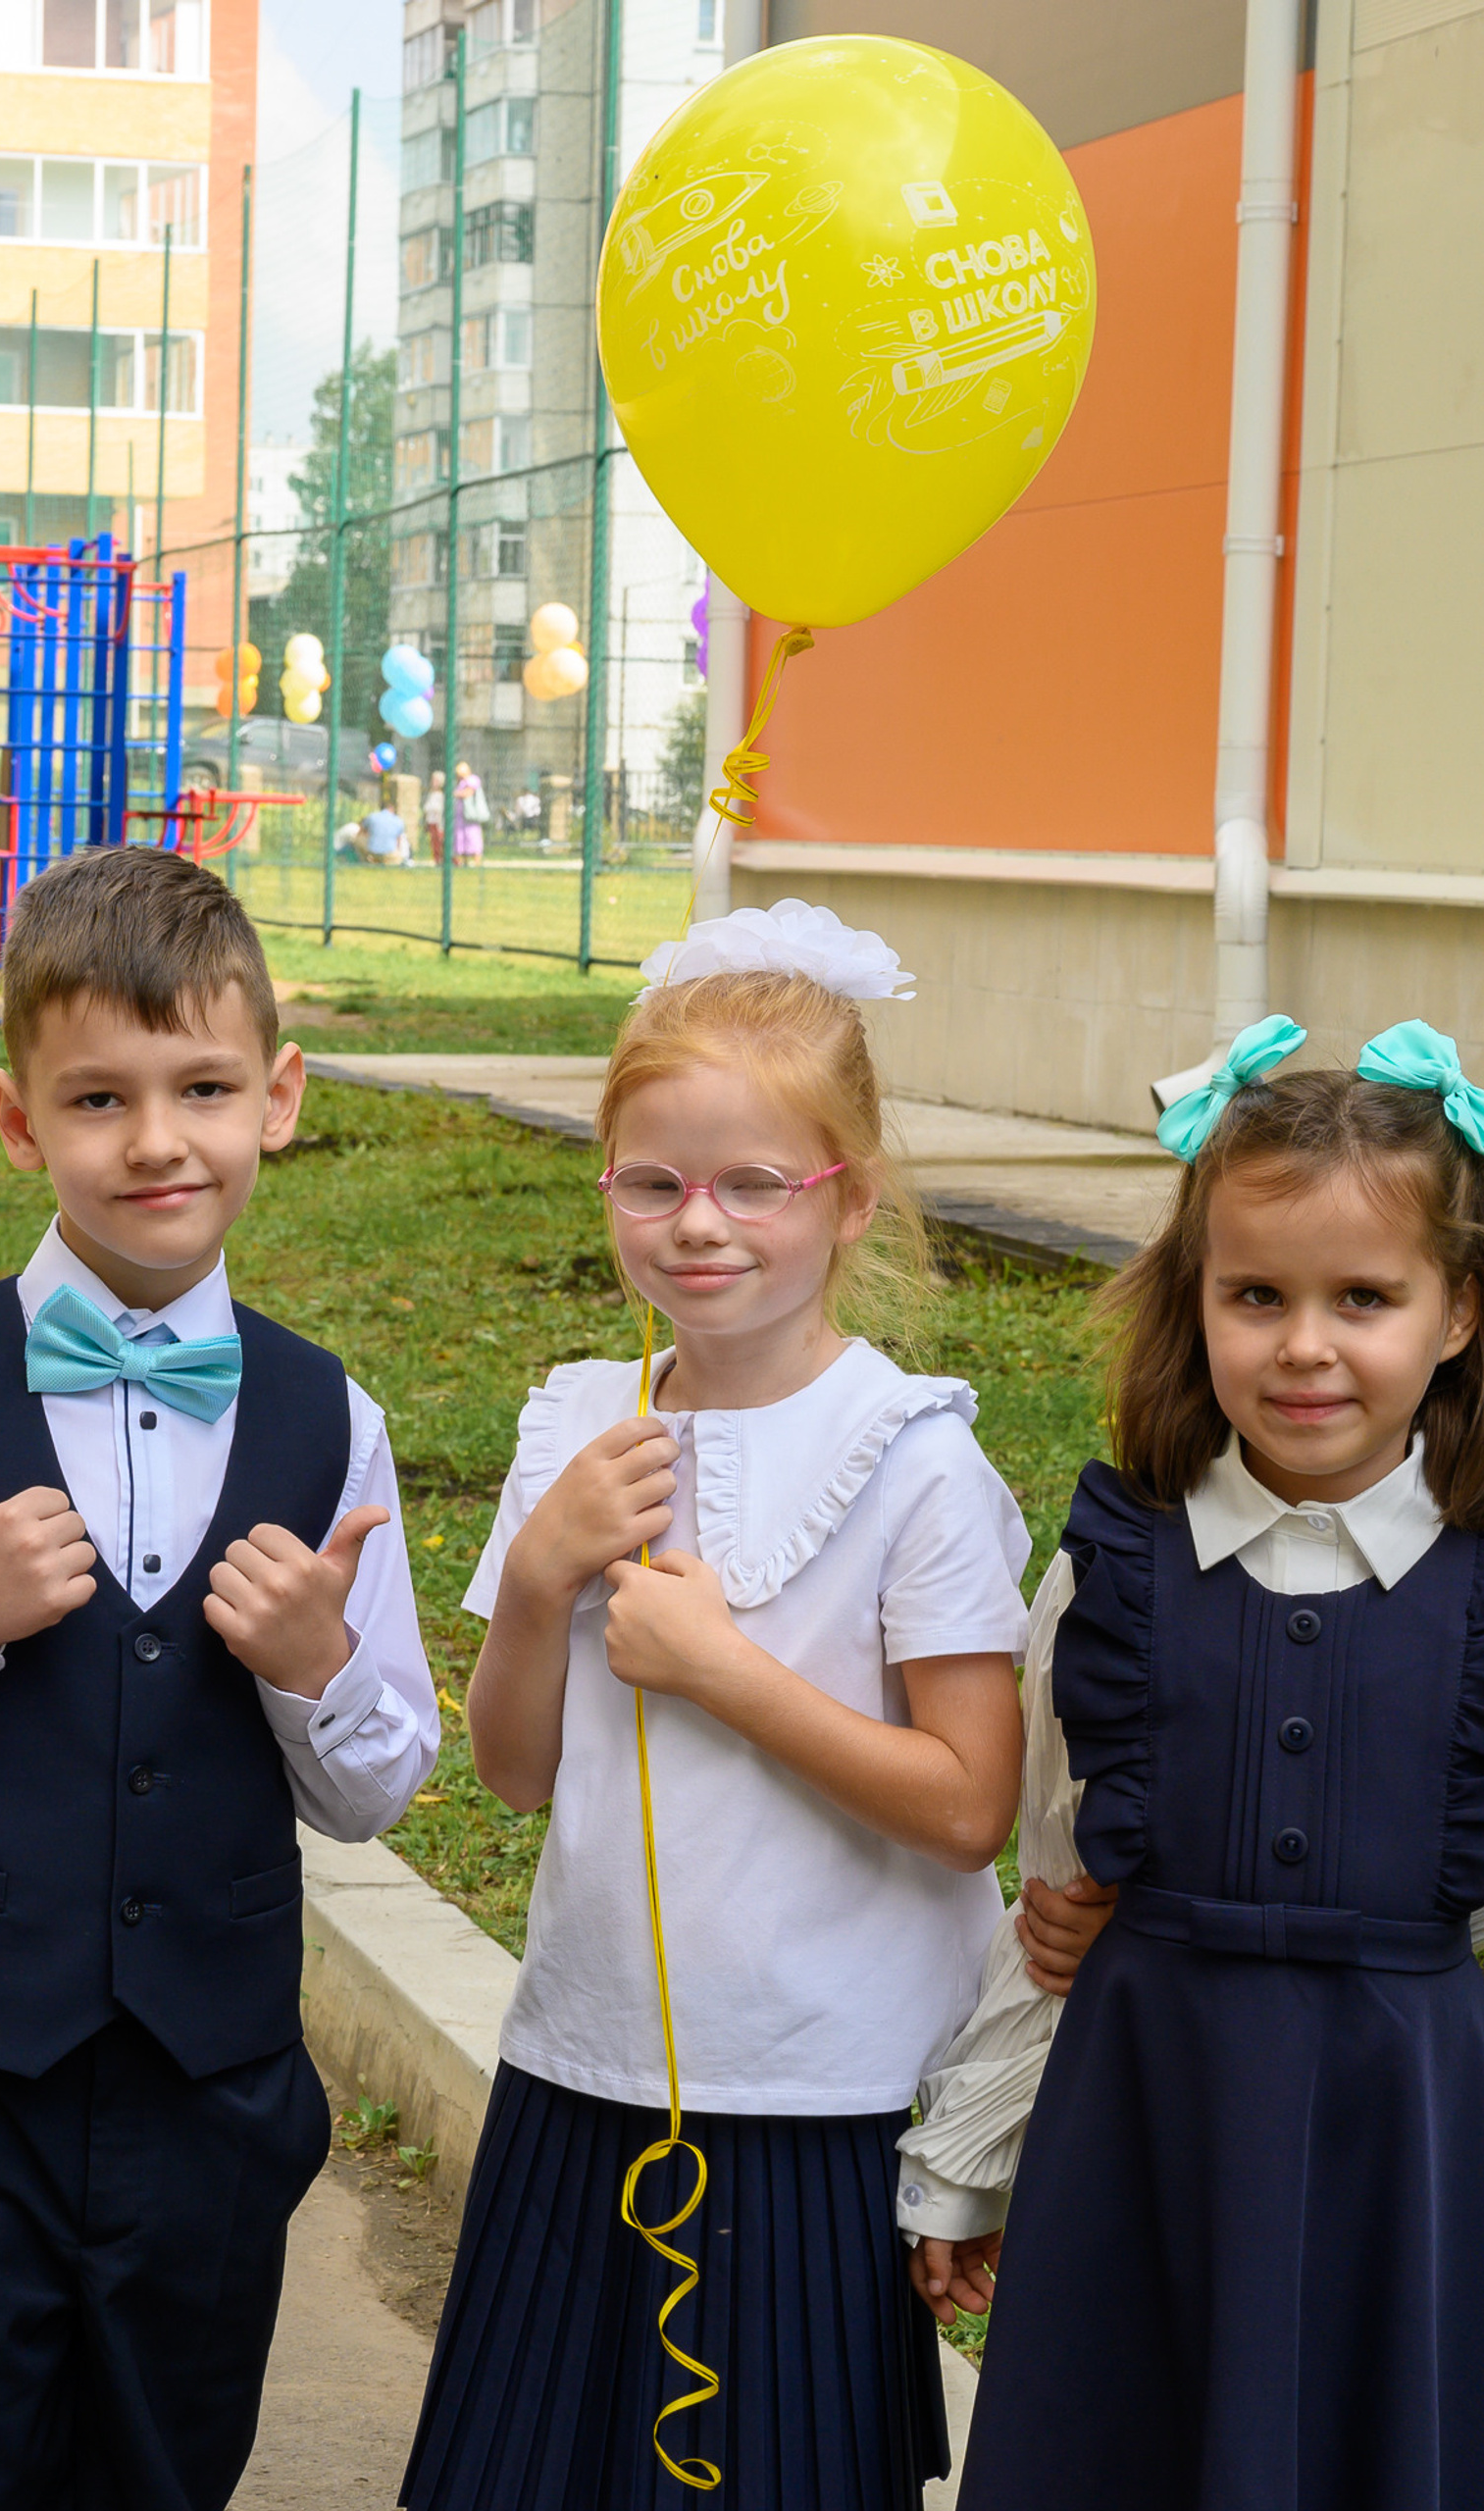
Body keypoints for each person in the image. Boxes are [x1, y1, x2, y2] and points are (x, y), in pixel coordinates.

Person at [0, 845, 439, 2511]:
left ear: (279, 1098)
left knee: (169, 2475)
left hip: (211, 2095)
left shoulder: (330, 1417)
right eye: (99, 1100)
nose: (157, 1141)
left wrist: (312, 1672)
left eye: (205, 1088)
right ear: (20, 1121)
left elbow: (380, 1786)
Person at [403, 901, 1033, 2511]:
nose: (701, 1224)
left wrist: (726, 1675)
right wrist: (540, 1581)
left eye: (757, 1182)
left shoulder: (915, 1463)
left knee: (780, 2475)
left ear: (851, 1198)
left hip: (821, 2095)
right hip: (580, 2067)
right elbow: (518, 1771)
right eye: (654, 1180)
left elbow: (973, 1804)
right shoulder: (578, 1428)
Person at [916, 1019, 1484, 2511]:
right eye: (1258, 1295)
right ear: (1199, 1302)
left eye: (1365, 1297)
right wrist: (969, 2157)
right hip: (1143, 2128)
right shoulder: (1111, 1575)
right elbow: (1050, 1895)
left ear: (1458, 1313)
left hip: (1405, 2150)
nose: (1306, 1344)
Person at [451, 759, 487, 863]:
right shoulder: (460, 783)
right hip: (460, 818)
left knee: (472, 838)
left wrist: (455, 793)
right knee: (461, 838)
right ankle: (464, 861)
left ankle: (477, 861)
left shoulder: (472, 780)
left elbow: (468, 793)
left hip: (470, 816)